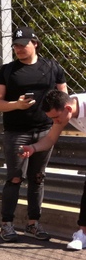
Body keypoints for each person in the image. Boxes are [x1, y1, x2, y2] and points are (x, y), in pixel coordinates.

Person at [0, 26, 67, 242]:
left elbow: (64, 97)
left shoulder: (52, 67)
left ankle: (33, 224)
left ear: (35, 44)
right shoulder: (7, 71)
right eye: (16, 45)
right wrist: (17, 105)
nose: (19, 49)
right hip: (17, 133)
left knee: (38, 178)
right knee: (15, 178)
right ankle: (6, 224)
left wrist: (59, 119)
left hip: (44, 130)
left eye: (23, 44)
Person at [19, 90, 86, 250]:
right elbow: (50, 138)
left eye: (56, 118)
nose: (55, 121)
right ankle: (83, 234)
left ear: (68, 109)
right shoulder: (65, 111)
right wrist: (33, 148)